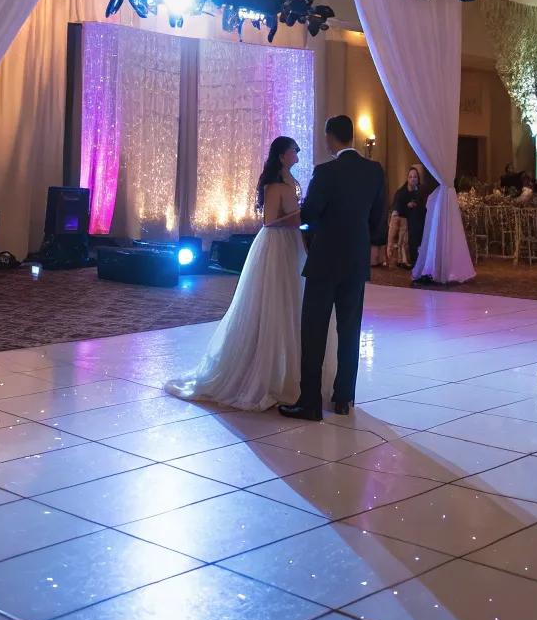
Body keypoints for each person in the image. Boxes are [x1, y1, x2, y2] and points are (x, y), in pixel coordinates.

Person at [167, 136, 336, 412]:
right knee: (271, 302)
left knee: (292, 302)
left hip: (292, 243)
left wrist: (301, 218)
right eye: (294, 150)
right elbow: (270, 220)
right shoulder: (274, 185)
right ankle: (262, 373)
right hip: (276, 245)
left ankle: (290, 371)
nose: (298, 154)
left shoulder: (292, 182)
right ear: (282, 155)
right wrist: (300, 216)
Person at [279, 114, 386, 422]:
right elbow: (377, 215)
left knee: (313, 330)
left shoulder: (325, 172)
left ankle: (310, 402)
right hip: (356, 260)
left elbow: (310, 212)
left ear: (330, 137)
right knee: (350, 330)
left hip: (326, 260)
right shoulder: (374, 170)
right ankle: (343, 398)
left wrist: (311, 234)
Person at [388, 166, 425, 267]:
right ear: (407, 179)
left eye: (415, 177)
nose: (413, 179)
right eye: (410, 177)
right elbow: (397, 207)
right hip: (405, 218)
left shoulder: (421, 191)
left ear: (418, 179)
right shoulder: (402, 192)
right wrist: (406, 206)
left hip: (418, 220)